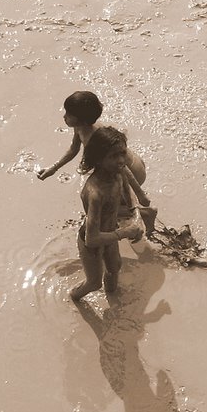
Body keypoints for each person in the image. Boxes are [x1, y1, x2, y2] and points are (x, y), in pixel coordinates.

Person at [37, 91, 155, 232]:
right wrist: (54, 168)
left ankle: (146, 214)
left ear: (82, 120)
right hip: (131, 161)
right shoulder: (80, 128)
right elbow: (74, 149)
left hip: (132, 170)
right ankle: (137, 211)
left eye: (68, 114)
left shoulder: (95, 138)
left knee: (108, 208)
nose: (64, 117)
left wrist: (140, 194)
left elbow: (121, 167)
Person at [71, 126, 144, 302]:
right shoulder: (96, 192)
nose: (121, 161)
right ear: (97, 159)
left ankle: (113, 298)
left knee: (115, 267)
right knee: (94, 283)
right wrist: (126, 232)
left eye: (123, 154)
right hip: (92, 246)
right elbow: (92, 238)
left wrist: (136, 214)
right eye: (113, 156)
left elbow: (128, 192)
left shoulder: (117, 173)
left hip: (110, 235)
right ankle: (73, 298)